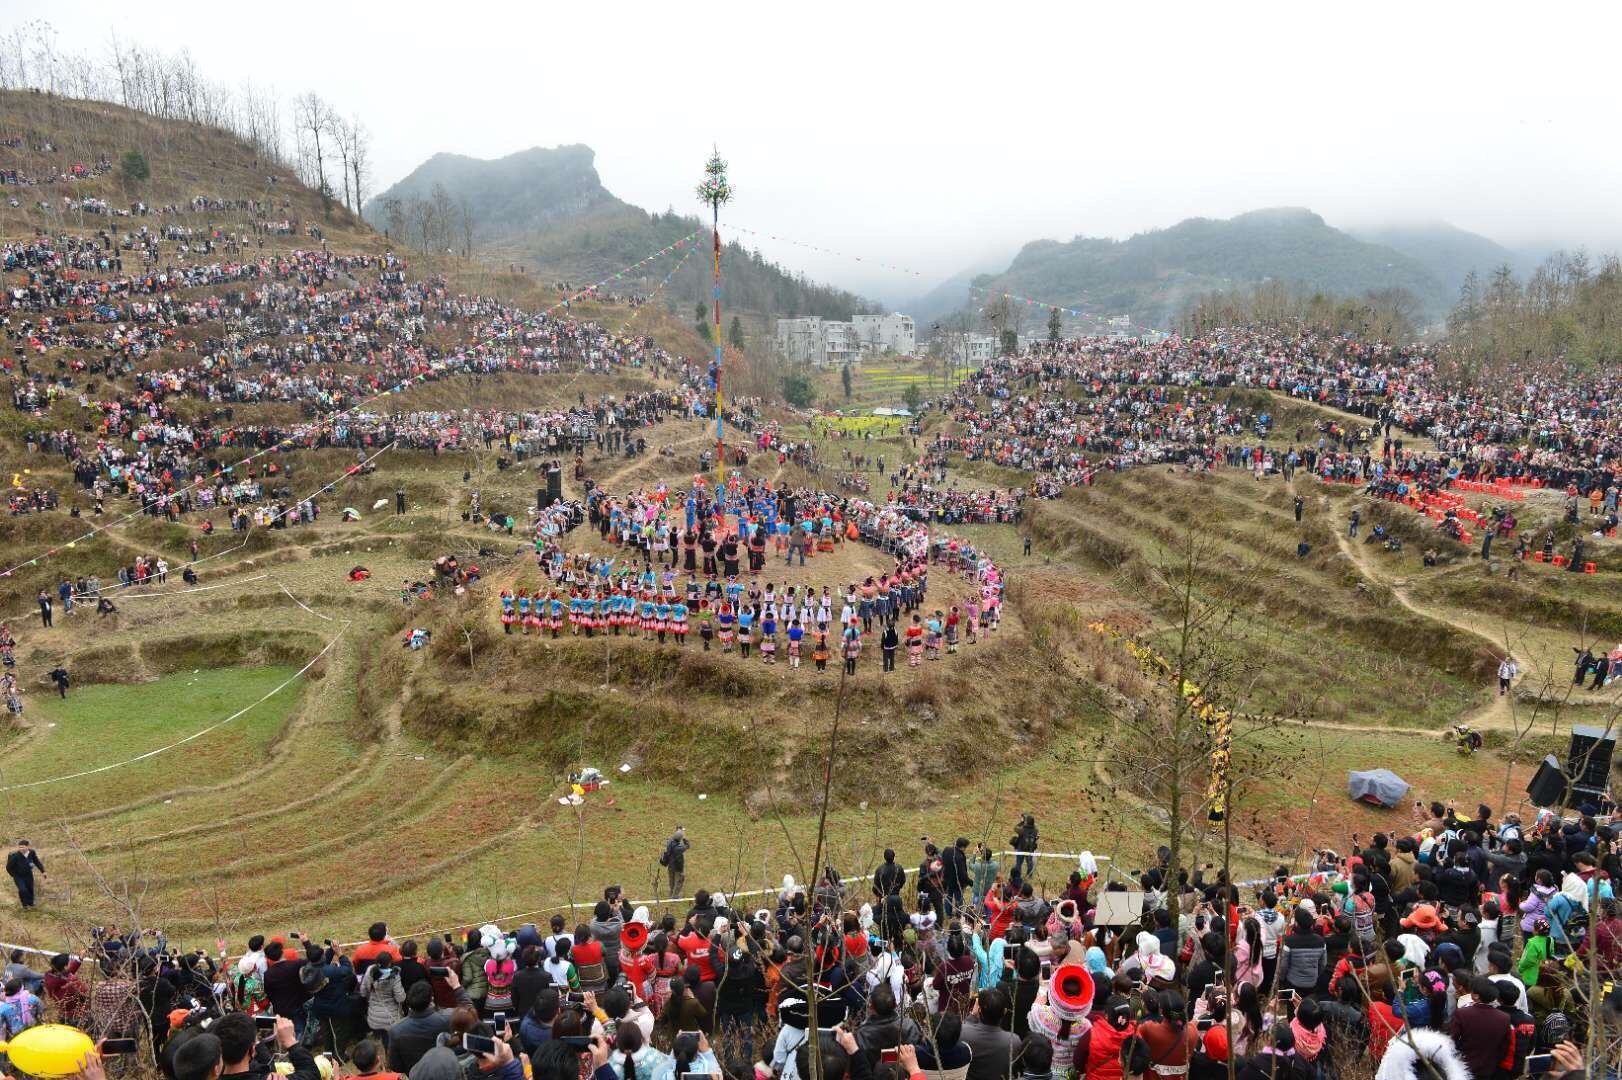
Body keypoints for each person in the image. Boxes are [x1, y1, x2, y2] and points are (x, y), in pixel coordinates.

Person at [6, 841, 45, 909]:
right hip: (18, 876)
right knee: (23, 889)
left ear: (28, 846)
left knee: (30, 888)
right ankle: (24, 904)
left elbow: (36, 861)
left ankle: (30, 903)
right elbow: (8, 867)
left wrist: (43, 871)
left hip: (28, 874)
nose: (21, 849)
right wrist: (13, 875)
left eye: (23, 847)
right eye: (20, 847)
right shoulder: (14, 856)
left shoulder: (32, 852)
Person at [661, 827, 690, 899]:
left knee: (672, 881)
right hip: (677, 867)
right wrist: (684, 837)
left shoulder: (669, 843)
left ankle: (671, 893)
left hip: (670, 866)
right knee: (679, 880)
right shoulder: (678, 848)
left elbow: (673, 838)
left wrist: (678, 831)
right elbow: (687, 846)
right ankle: (675, 896)